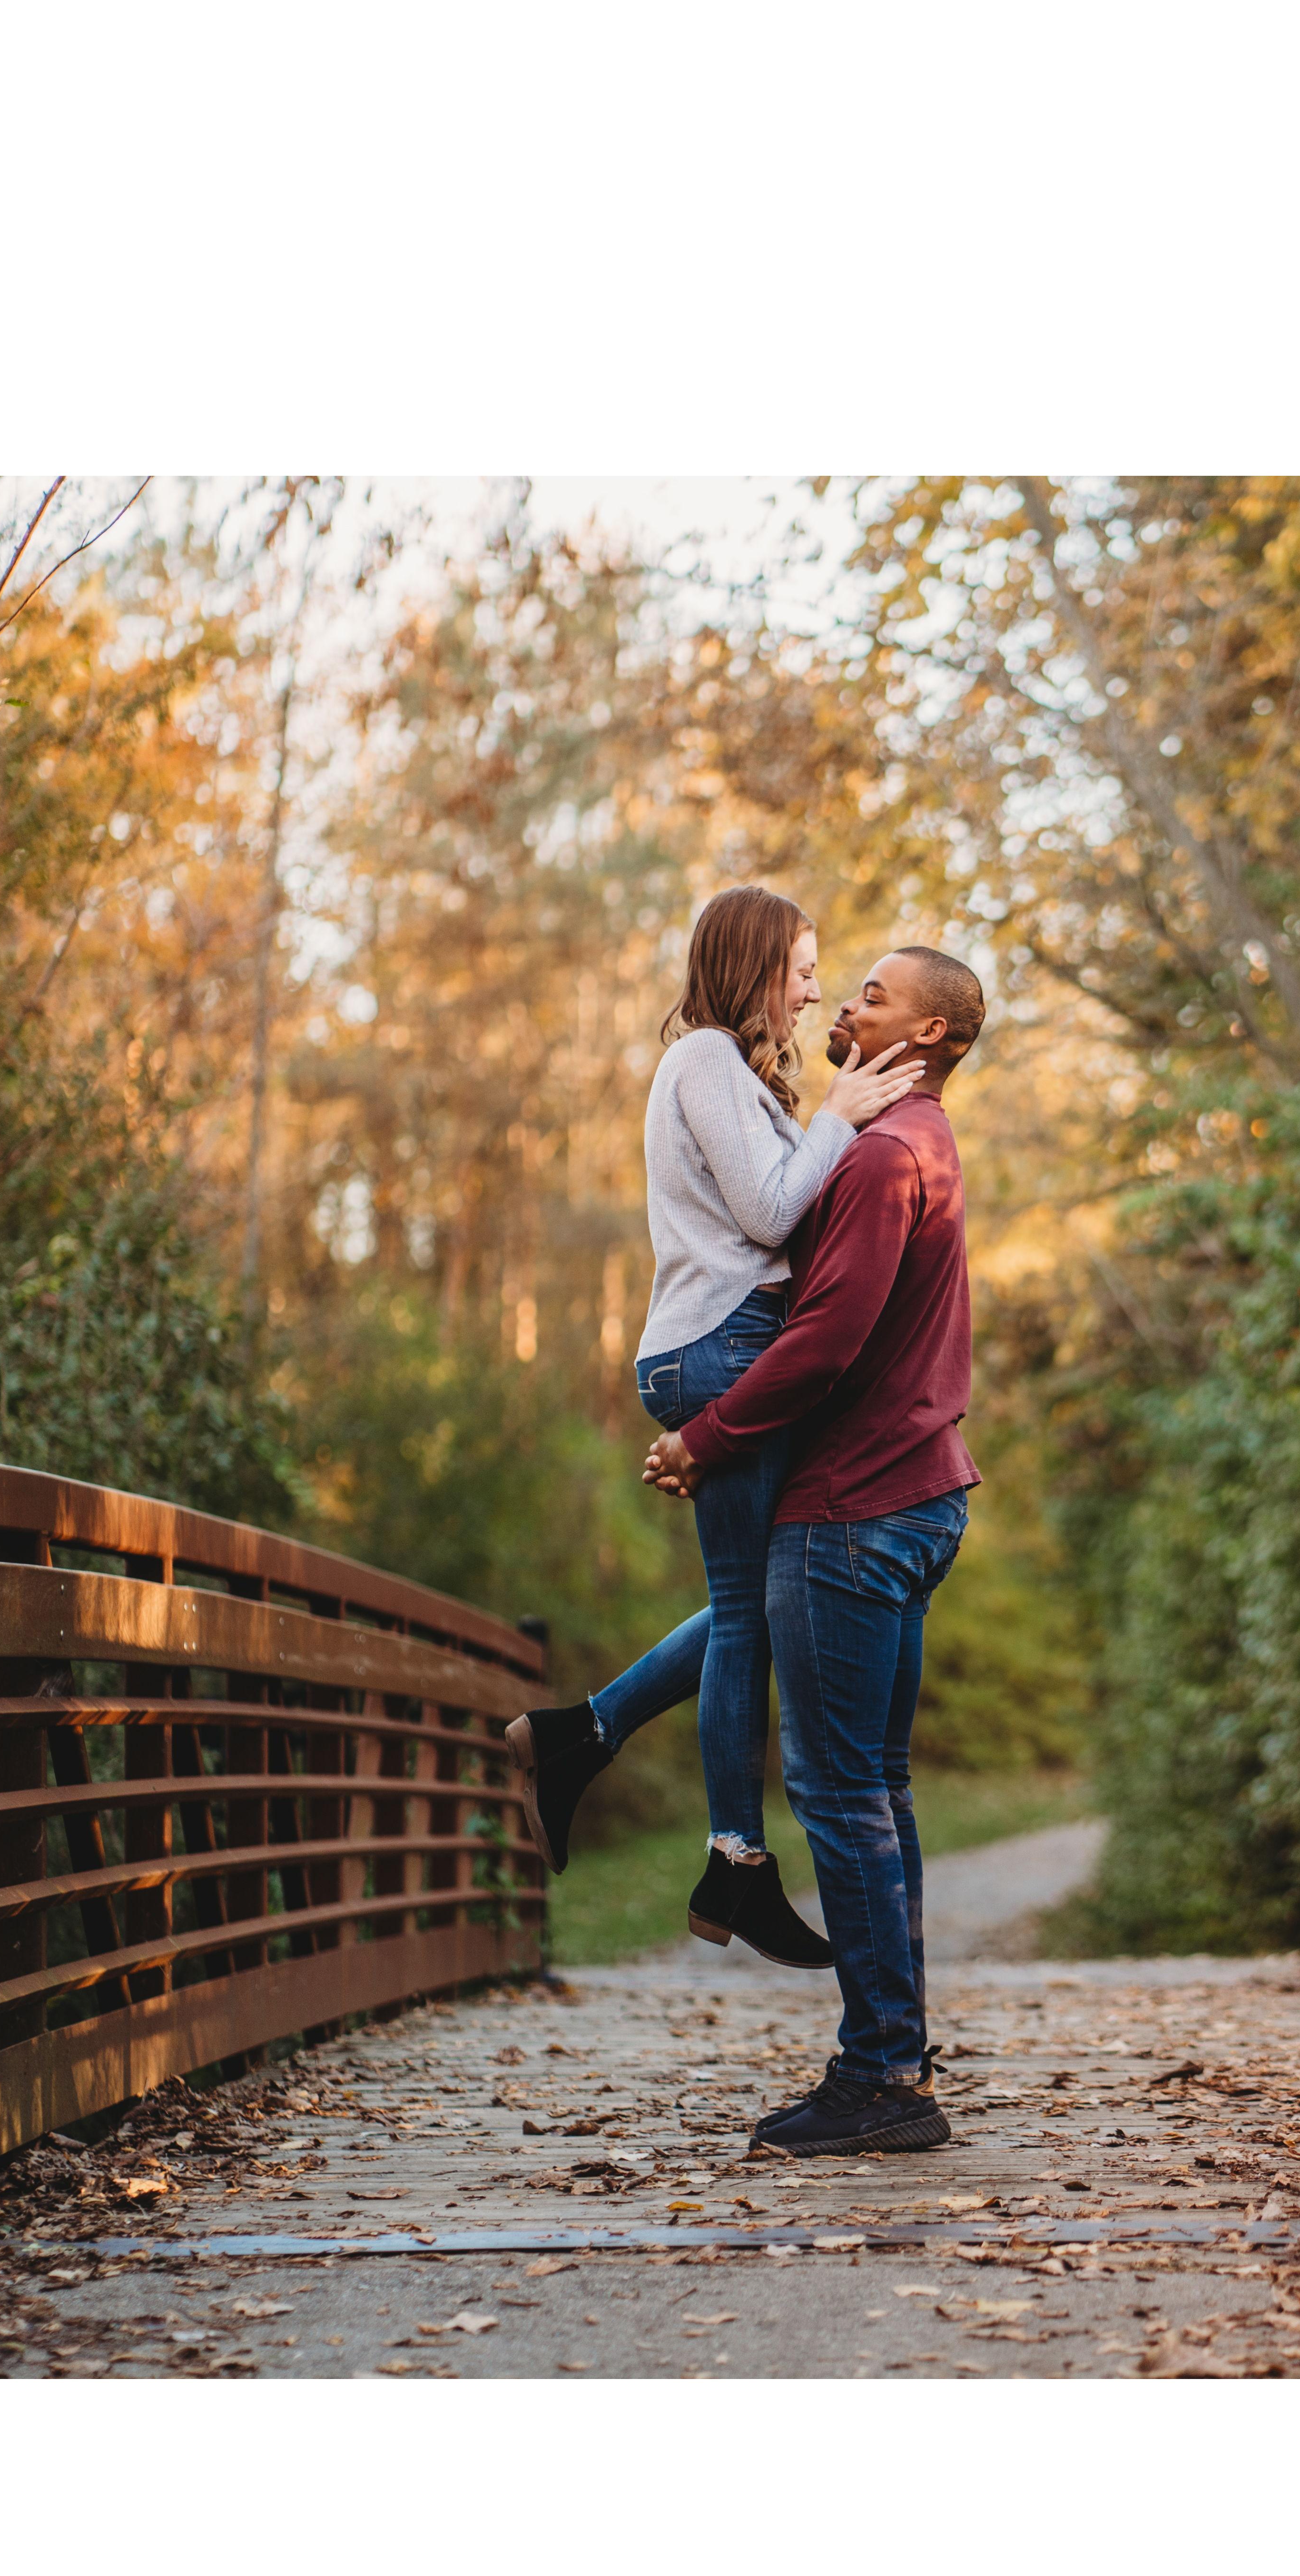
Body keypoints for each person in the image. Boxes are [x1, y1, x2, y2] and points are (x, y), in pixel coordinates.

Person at [506, 885, 926, 1965]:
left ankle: (582, 1735)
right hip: (723, 1344)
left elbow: (782, 1195)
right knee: (755, 1614)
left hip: (723, 1342)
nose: (816, 986)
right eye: (802, 965)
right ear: (753, 965)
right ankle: (732, 1855)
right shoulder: (702, 1059)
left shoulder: (733, 1076)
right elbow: (772, 1211)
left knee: (763, 1602)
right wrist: (841, 1115)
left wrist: (830, 1112)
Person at [644, 945, 986, 2157]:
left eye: (877, 997)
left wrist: (705, 1434)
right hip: (917, 1497)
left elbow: (829, 1342)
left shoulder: (887, 1157)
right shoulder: (917, 1147)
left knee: (841, 1795)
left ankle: (884, 2080)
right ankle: (894, 2063)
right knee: (876, 1792)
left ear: (931, 1035)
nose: (847, 1004)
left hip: (853, 1512)